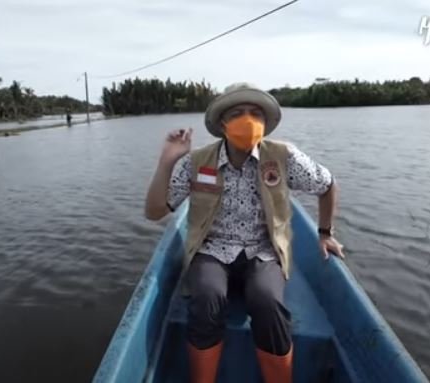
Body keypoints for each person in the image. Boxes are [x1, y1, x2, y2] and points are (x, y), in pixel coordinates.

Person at [144, 83, 344, 383]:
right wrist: (168, 160)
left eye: (255, 113)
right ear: (223, 123)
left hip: (263, 250)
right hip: (212, 249)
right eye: (238, 112)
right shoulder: (197, 162)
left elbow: (327, 185)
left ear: (265, 123)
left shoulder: (283, 156)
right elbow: (155, 211)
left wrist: (325, 232)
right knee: (207, 298)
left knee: (267, 301)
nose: (248, 120)